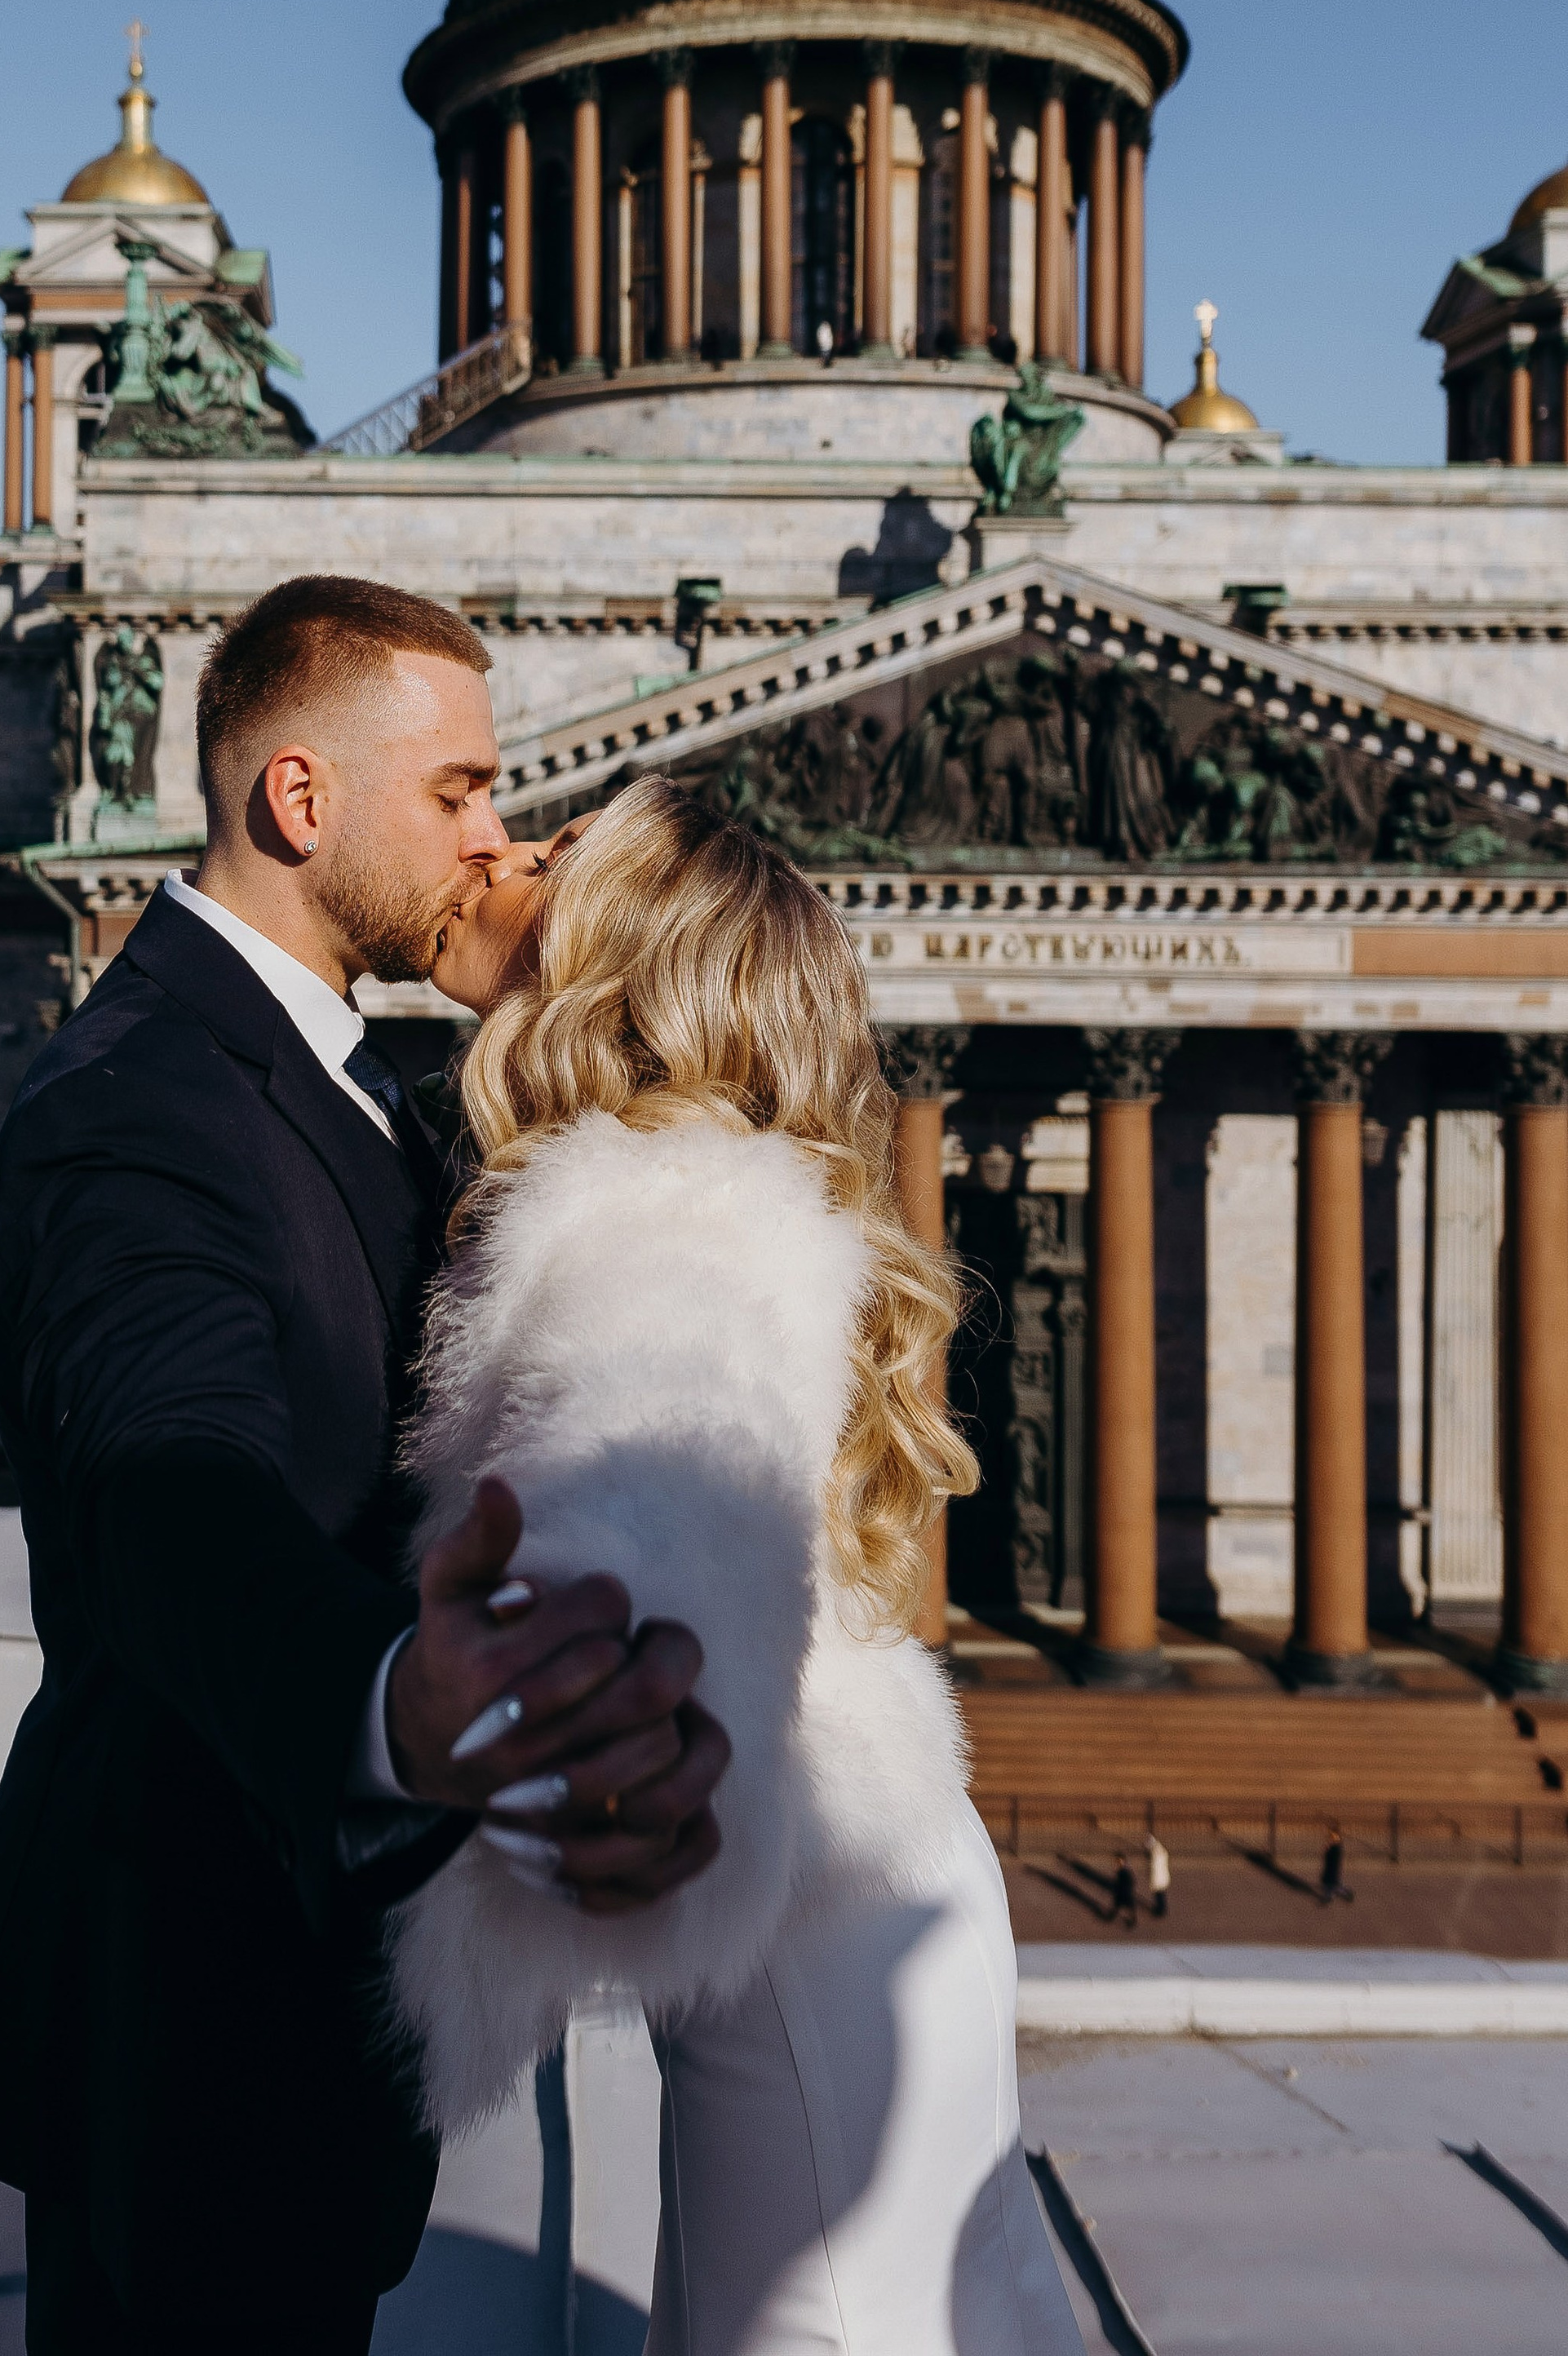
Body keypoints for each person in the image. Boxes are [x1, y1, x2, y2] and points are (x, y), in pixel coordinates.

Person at [0, 578, 729, 2355]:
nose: (493, 837)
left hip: (282, 2029)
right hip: (194, 2019)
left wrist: (546, 992)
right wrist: (386, 1701)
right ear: (300, 798)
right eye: (458, 792)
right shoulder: (136, 1104)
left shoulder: (321, 1067)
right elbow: (165, 1490)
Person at [399, 778, 1081, 2355]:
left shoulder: (667, 1219)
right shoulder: (733, 1195)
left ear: (620, 959)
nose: (503, 849)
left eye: (561, 854)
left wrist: (574, 1729)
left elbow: (649, 1497)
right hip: (876, 1887)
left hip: (802, 1944)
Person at [1147, 1830, 1171, 1923]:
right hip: (1163, 1878)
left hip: (1158, 1880)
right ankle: (1162, 1909)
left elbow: (1154, 1869)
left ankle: (1160, 1911)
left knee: (1159, 1896)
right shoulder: (1160, 1850)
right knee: (1162, 1895)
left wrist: (1152, 1881)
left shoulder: (1155, 1854)